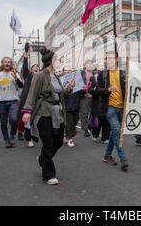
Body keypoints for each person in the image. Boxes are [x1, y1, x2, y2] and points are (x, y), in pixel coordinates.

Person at [22, 48, 75, 185]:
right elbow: (32, 94)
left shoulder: (57, 76)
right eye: (58, 59)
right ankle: (48, 174)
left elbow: (61, 95)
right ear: (51, 62)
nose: (60, 61)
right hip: (43, 113)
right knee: (49, 143)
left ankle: (42, 160)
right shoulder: (39, 76)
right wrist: (27, 111)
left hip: (57, 113)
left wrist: (69, 88)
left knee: (58, 142)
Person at [96, 51, 128, 171]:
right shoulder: (103, 74)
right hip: (109, 107)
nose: (108, 60)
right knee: (117, 131)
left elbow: (130, 89)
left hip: (121, 108)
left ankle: (107, 155)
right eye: (106, 58)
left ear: (116, 59)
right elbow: (97, 89)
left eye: (110, 58)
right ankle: (123, 158)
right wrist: (107, 89)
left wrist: (127, 84)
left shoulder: (123, 73)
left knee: (114, 133)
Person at [0, 57, 24, 148]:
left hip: (13, 100)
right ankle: (7, 140)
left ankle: (13, 134)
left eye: (9, 62)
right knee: (3, 122)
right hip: (1, 102)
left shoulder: (14, 74)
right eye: (5, 62)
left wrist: (16, 78)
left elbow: (21, 86)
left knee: (14, 119)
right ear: (2, 63)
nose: (7, 63)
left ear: (11, 64)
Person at [17, 42, 40, 147]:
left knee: (37, 121)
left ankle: (37, 136)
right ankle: (29, 139)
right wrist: (26, 52)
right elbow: (25, 65)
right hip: (28, 102)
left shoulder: (41, 78)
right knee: (28, 122)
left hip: (38, 103)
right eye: (34, 67)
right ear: (31, 70)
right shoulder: (28, 76)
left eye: (38, 67)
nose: (36, 68)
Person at [63, 66, 85, 148]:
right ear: (63, 72)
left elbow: (81, 92)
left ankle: (66, 134)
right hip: (67, 105)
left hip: (76, 104)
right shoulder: (61, 81)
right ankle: (70, 138)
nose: (68, 72)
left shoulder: (76, 79)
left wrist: (83, 89)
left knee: (75, 121)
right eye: (66, 70)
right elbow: (62, 94)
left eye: (69, 70)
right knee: (69, 122)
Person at [80, 60, 96, 137]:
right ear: (85, 65)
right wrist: (81, 87)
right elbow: (78, 83)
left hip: (93, 96)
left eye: (91, 64)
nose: (90, 65)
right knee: (84, 113)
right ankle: (86, 129)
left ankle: (90, 126)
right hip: (84, 96)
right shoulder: (81, 73)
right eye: (88, 64)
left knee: (93, 113)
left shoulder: (94, 74)